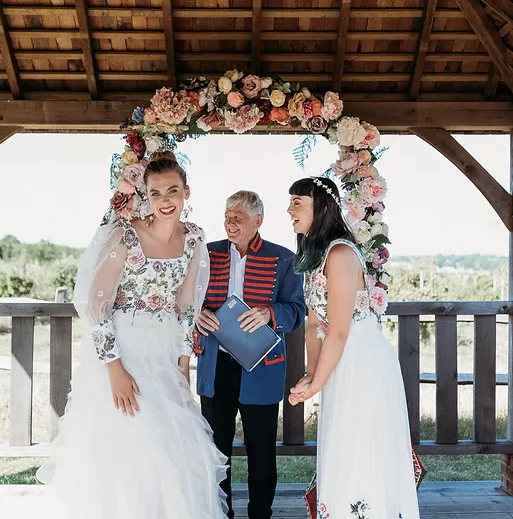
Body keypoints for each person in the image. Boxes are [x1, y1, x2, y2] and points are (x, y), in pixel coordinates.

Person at [37, 151, 228, 519]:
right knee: (130, 447)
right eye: (156, 193)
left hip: (164, 356)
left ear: (187, 192)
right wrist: (114, 370)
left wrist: (183, 367)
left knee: (172, 451)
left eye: (173, 191)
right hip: (122, 352)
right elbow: (96, 305)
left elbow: (187, 307)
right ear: (146, 195)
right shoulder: (125, 236)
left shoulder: (194, 239)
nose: (165, 200)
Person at [287, 177, 419, 519]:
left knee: (362, 450)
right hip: (337, 361)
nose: (289, 209)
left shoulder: (341, 253)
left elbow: (340, 330)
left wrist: (317, 384)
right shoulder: (312, 258)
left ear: (322, 207)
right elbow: (315, 324)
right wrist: (312, 373)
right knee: (342, 448)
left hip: (361, 362)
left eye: (297, 202)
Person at [195, 190, 306, 519]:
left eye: (238, 216)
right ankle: (220, 513)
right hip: (215, 365)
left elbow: (297, 310)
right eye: (227, 215)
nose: (230, 221)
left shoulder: (283, 258)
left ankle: (261, 514)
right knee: (216, 451)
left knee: (261, 450)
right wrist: (197, 313)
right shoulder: (206, 254)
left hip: (261, 369)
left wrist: (269, 312)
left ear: (258, 221)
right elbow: (187, 299)